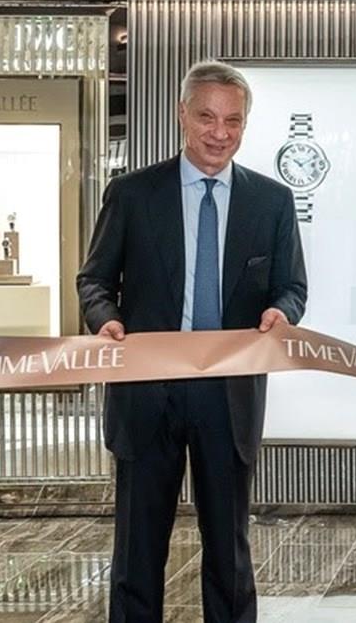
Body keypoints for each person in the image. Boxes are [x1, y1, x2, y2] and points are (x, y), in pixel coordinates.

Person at [77, 60, 308, 622]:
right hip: (145, 392)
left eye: (233, 120)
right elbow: (95, 280)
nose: (219, 133)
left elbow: (292, 287)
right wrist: (105, 320)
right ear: (182, 114)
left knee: (229, 554)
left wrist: (281, 312)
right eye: (207, 117)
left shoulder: (271, 201)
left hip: (227, 396)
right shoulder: (132, 194)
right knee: (137, 553)